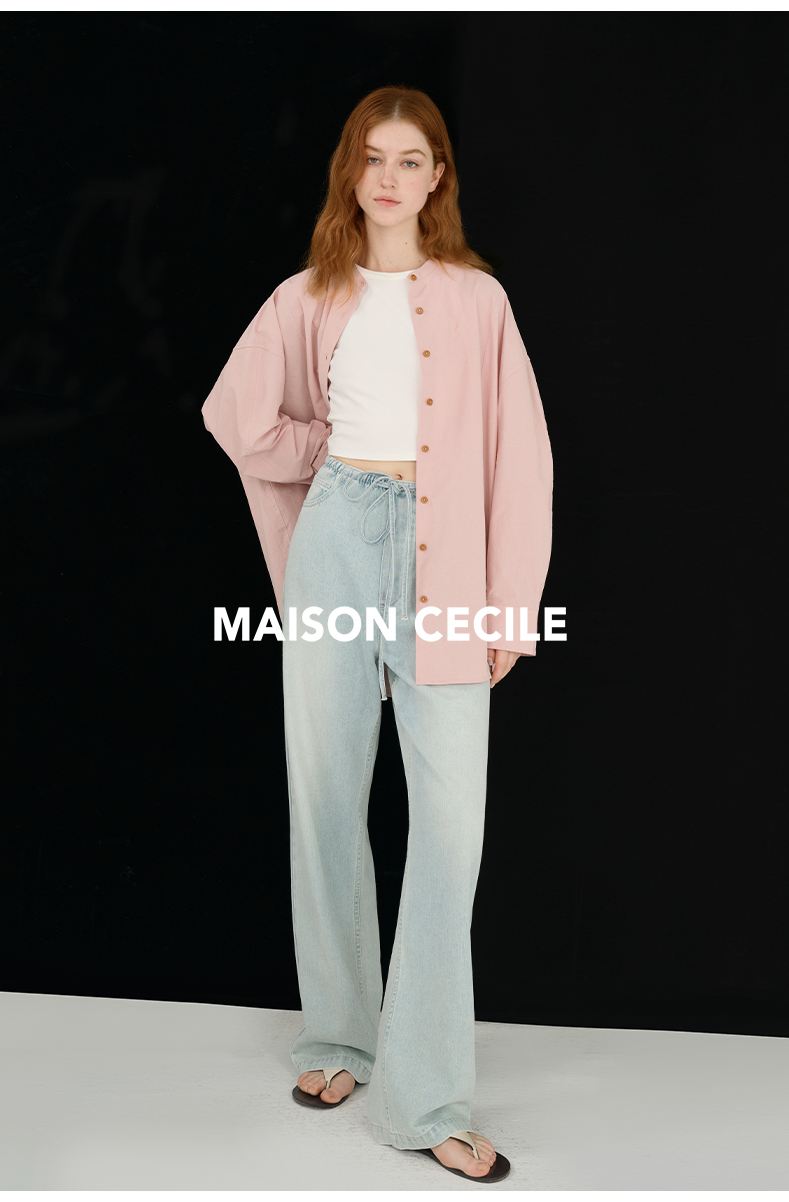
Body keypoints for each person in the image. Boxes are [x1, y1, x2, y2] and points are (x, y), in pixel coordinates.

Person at [202, 84, 553, 1184]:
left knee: (449, 832)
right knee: (324, 797)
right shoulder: (309, 294)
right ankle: (341, 1039)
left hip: (450, 567)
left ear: (437, 176)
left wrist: (510, 605)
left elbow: (521, 456)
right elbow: (235, 414)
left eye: (411, 159)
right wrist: (329, 458)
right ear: (350, 172)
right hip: (339, 542)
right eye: (373, 157)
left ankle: (428, 1095)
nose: (390, 177)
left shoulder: (479, 301)